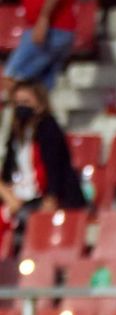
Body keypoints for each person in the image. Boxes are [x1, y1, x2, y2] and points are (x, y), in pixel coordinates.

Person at [0, 81, 85, 250]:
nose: (21, 107)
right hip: (21, 196)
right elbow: (10, 169)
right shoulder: (17, 132)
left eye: (26, 102)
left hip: (49, 197)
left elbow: (55, 168)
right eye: (18, 103)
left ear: (39, 103)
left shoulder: (48, 128)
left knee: (26, 219)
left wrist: (51, 197)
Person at [0, 0, 77, 95]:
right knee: (40, 91)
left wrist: (43, 18)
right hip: (55, 28)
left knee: (11, 79)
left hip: (51, 29)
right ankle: (40, 114)